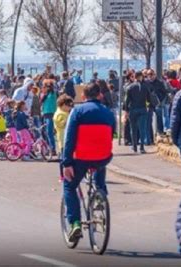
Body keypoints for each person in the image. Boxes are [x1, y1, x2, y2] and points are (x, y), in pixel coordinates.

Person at [62, 83, 115, 243]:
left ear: (83, 97)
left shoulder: (77, 111)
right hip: (103, 155)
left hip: (82, 157)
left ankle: (75, 223)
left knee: (69, 186)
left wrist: (66, 162)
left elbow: (69, 138)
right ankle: (100, 194)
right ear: (100, 95)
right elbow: (112, 133)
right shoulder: (108, 112)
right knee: (100, 165)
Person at [123, 72, 152, 154]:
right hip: (142, 109)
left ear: (135, 77)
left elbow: (126, 101)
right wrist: (148, 106)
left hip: (133, 109)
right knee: (142, 129)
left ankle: (134, 146)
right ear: (141, 77)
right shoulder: (145, 87)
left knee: (133, 128)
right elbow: (149, 99)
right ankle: (142, 147)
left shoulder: (130, 87)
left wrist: (126, 111)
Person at [146, 69, 169, 135]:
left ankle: (160, 132)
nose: (150, 76)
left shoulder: (159, 83)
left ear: (154, 75)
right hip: (149, 104)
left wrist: (160, 101)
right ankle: (149, 135)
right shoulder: (146, 83)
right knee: (149, 120)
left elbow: (164, 92)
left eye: (151, 74)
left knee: (159, 118)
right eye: (148, 74)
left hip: (158, 103)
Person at [40, 80, 58, 155]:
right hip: (46, 114)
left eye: (44, 86)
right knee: (47, 132)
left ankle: (52, 149)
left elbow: (42, 100)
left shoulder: (52, 93)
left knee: (49, 132)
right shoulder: (46, 94)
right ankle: (49, 147)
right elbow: (41, 102)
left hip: (50, 114)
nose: (42, 88)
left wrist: (46, 90)